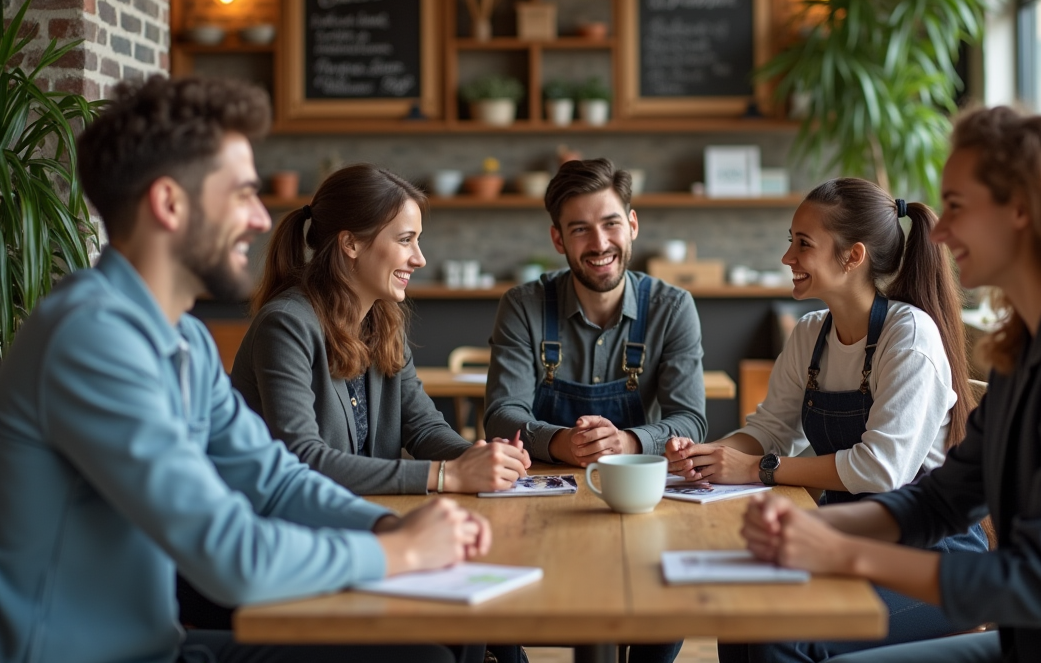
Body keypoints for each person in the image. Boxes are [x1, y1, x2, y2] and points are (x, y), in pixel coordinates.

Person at [0, 76, 491, 663]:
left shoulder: (185, 340)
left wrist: (385, 527)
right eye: (241, 195)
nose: (262, 219)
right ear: (170, 203)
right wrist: (401, 552)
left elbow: (276, 476)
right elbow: (231, 554)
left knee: (433, 649)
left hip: (164, 646)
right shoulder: (90, 340)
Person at [738, 107, 1041, 662]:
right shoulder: (1026, 350)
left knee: (780, 633)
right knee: (754, 620)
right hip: (1039, 640)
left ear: (1022, 210)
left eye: (957, 206)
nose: (939, 230)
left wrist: (839, 549)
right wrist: (806, 526)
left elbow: (1037, 582)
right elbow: (941, 501)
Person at [665, 178, 987, 663]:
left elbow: (881, 469)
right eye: (790, 241)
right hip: (848, 536)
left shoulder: (909, 337)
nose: (787, 257)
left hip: (933, 556)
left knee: (782, 636)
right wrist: (709, 455)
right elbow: (770, 430)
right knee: (740, 610)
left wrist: (758, 469)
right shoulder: (810, 334)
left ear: (853, 256)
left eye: (803, 244)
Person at [484, 158, 705, 663]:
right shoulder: (523, 305)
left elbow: (691, 419)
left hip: (637, 505)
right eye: (580, 229)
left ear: (632, 224)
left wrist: (626, 442)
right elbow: (500, 414)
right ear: (558, 239)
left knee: (666, 609)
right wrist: (564, 442)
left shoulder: (673, 307)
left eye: (610, 223)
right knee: (492, 608)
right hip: (537, 507)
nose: (600, 243)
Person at [231, 163, 530, 497]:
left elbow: (422, 427)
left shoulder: (383, 322)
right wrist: (447, 475)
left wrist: (478, 458)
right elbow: (303, 458)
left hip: (358, 513)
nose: (420, 259)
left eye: (417, 241)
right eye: (405, 240)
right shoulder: (286, 324)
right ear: (351, 244)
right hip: (284, 520)